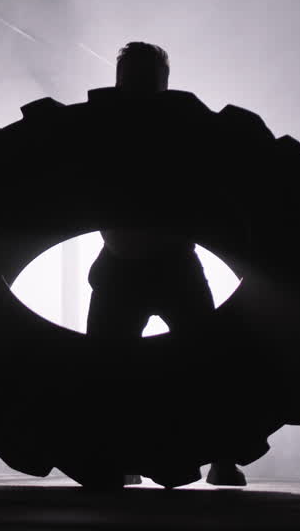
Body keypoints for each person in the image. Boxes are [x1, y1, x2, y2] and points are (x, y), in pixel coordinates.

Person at [85, 41, 247, 488]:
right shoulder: (100, 127)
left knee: (208, 361)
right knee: (105, 368)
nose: (137, 85)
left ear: (163, 83)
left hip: (172, 262)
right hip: (122, 264)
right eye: (131, 76)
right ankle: (116, 457)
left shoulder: (184, 127)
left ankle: (221, 456)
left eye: (145, 77)